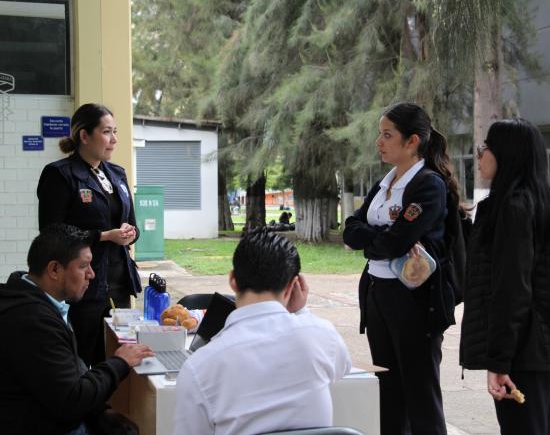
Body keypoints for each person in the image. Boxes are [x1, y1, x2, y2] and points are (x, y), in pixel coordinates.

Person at [343, 102, 459, 435]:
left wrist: (371, 238)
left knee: (420, 396)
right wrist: (377, 236)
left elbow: (395, 241)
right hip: (379, 295)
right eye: (379, 134)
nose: (379, 142)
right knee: (389, 392)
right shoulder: (385, 183)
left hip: (415, 302)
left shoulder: (428, 185)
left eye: (387, 135)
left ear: (412, 141)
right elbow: (351, 227)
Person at [173, 228, 351, 435]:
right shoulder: (322, 336)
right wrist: (301, 311)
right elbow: (343, 368)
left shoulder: (199, 367)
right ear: (294, 286)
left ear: (233, 281)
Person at [0, 224, 154, 435]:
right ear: (54, 269)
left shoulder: (39, 299)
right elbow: (72, 400)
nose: (91, 274)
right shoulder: (32, 321)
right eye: (84, 266)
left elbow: (72, 369)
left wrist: (102, 410)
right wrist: (119, 363)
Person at [460, 118, 550, 435]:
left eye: (487, 147)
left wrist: (499, 363)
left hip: (524, 355)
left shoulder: (513, 207)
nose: (481, 154)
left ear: (506, 154)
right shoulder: (535, 203)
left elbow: (512, 290)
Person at [37, 103, 141, 366]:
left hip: (119, 282)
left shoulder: (116, 173)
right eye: (107, 132)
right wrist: (103, 236)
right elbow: (51, 233)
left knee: (121, 354)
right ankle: (86, 407)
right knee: (85, 358)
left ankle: (114, 407)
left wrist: (130, 233)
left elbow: (131, 224)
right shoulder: (60, 174)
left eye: (115, 132)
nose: (114, 140)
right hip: (83, 285)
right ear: (84, 136)